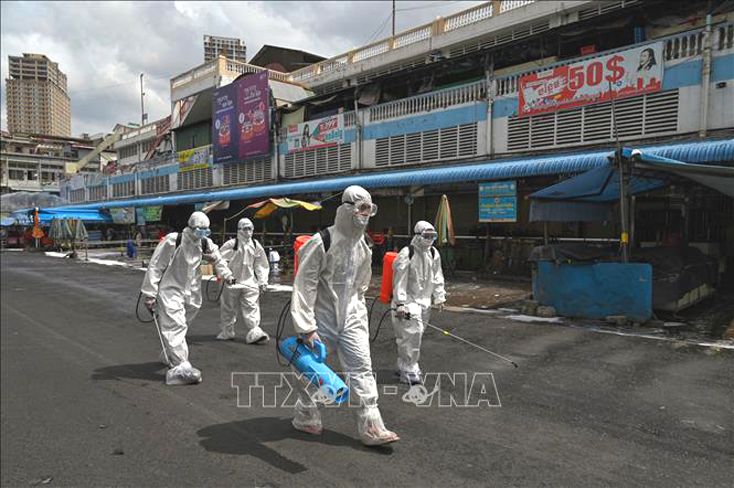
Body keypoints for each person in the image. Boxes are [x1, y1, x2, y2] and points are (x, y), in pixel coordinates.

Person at [290, 185, 400, 446]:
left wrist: (357, 312)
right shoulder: (322, 241)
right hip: (323, 317)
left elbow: (361, 285)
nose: (365, 215)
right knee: (312, 370)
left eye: (369, 210)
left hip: (352, 316)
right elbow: (304, 284)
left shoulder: (363, 246)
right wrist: (306, 326)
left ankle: (372, 425)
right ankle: (305, 412)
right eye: (361, 209)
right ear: (347, 208)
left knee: (362, 368)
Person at [141, 211, 234, 385]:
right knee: (175, 325)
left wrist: (227, 275)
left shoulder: (205, 242)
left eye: (206, 232)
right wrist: (149, 293)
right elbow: (155, 266)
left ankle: (170, 353)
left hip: (192, 292)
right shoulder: (173, 241)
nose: (203, 235)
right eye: (200, 231)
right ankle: (181, 366)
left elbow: (219, 260)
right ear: (191, 228)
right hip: (171, 289)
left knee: (183, 325)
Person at [391, 221, 447, 386]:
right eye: (426, 236)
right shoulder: (407, 253)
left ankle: (402, 364)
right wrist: (400, 303)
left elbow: (438, 276)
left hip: (424, 302)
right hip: (408, 302)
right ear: (418, 235)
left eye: (432, 236)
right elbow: (399, 280)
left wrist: (439, 297)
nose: (429, 239)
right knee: (412, 334)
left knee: (415, 335)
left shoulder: (434, 253)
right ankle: (409, 367)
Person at [216, 218, 271, 343]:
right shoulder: (231, 244)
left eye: (250, 228)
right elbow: (220, 261)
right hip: (232, 282)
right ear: (239, 229)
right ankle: (227, 331)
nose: (248, 232)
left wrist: (262, 281)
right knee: (228, 309)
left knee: (252, 307)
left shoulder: (256, 245)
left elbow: (261, 264)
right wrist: (227, 275)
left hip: (249, 282)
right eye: (245, 228)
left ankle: (255, 331)